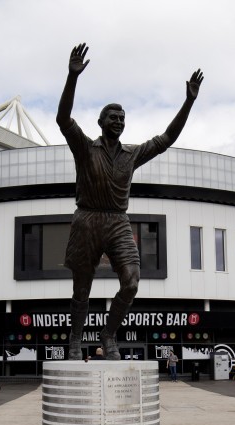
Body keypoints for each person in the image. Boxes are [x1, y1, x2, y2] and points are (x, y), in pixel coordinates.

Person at [57, 42, 203, 361]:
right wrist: (72, 77)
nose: (119, 120)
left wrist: (188, 102)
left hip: (117, 221)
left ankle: (108, 335)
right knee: (81, 289)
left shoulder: (131, 154)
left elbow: (166, 139)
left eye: (123, 117)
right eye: (113, 116)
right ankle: (74, 342)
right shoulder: (85, 148)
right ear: (101, 122)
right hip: (87, 220)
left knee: (132, 282)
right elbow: (63, 118)